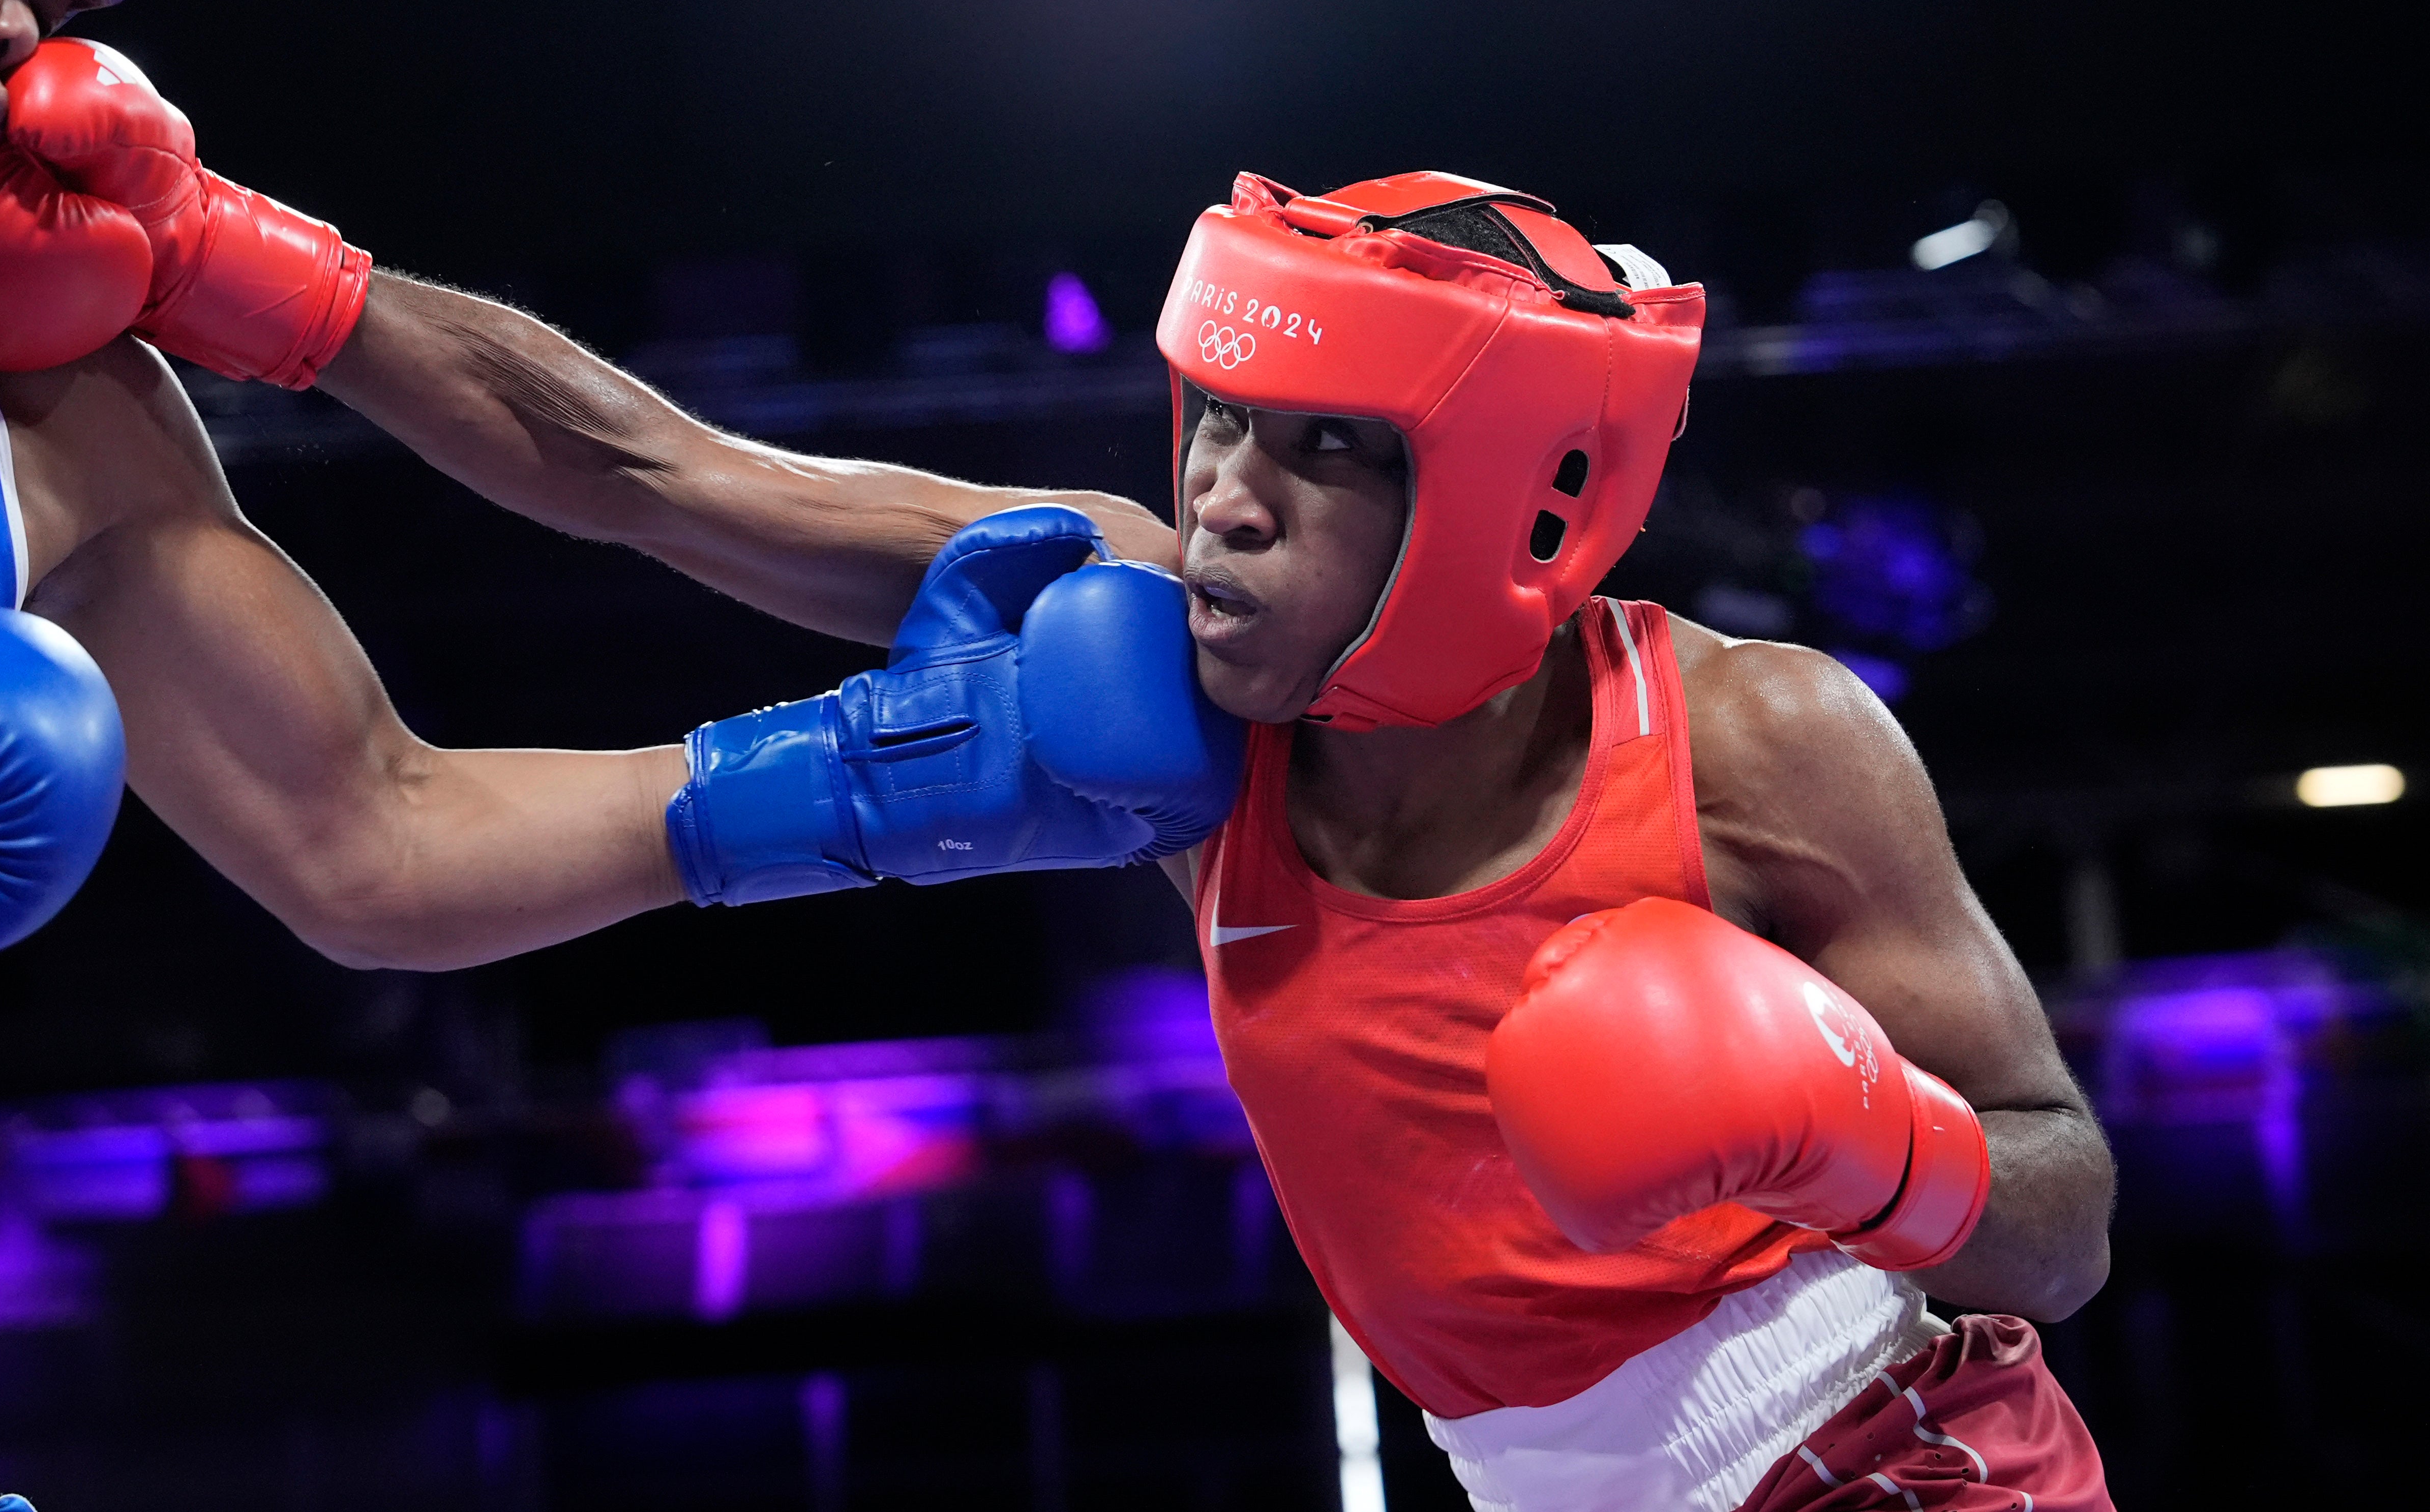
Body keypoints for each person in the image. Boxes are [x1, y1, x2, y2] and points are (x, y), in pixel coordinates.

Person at [0, 0, 1235, 1508]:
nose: (20, 43)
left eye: (51, 9)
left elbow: (379, 833)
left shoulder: (34, 420)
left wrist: (864, 772)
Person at [710, 170, 2120, 1509]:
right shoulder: (1190, 716)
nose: (1222, 496)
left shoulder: (1760, 734)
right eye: (1218, 414)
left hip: (1893, 1464)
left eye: (1329, 440)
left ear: (1513, 489)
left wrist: (1862, 1140)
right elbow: (659, 474)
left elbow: (2062, 1236)